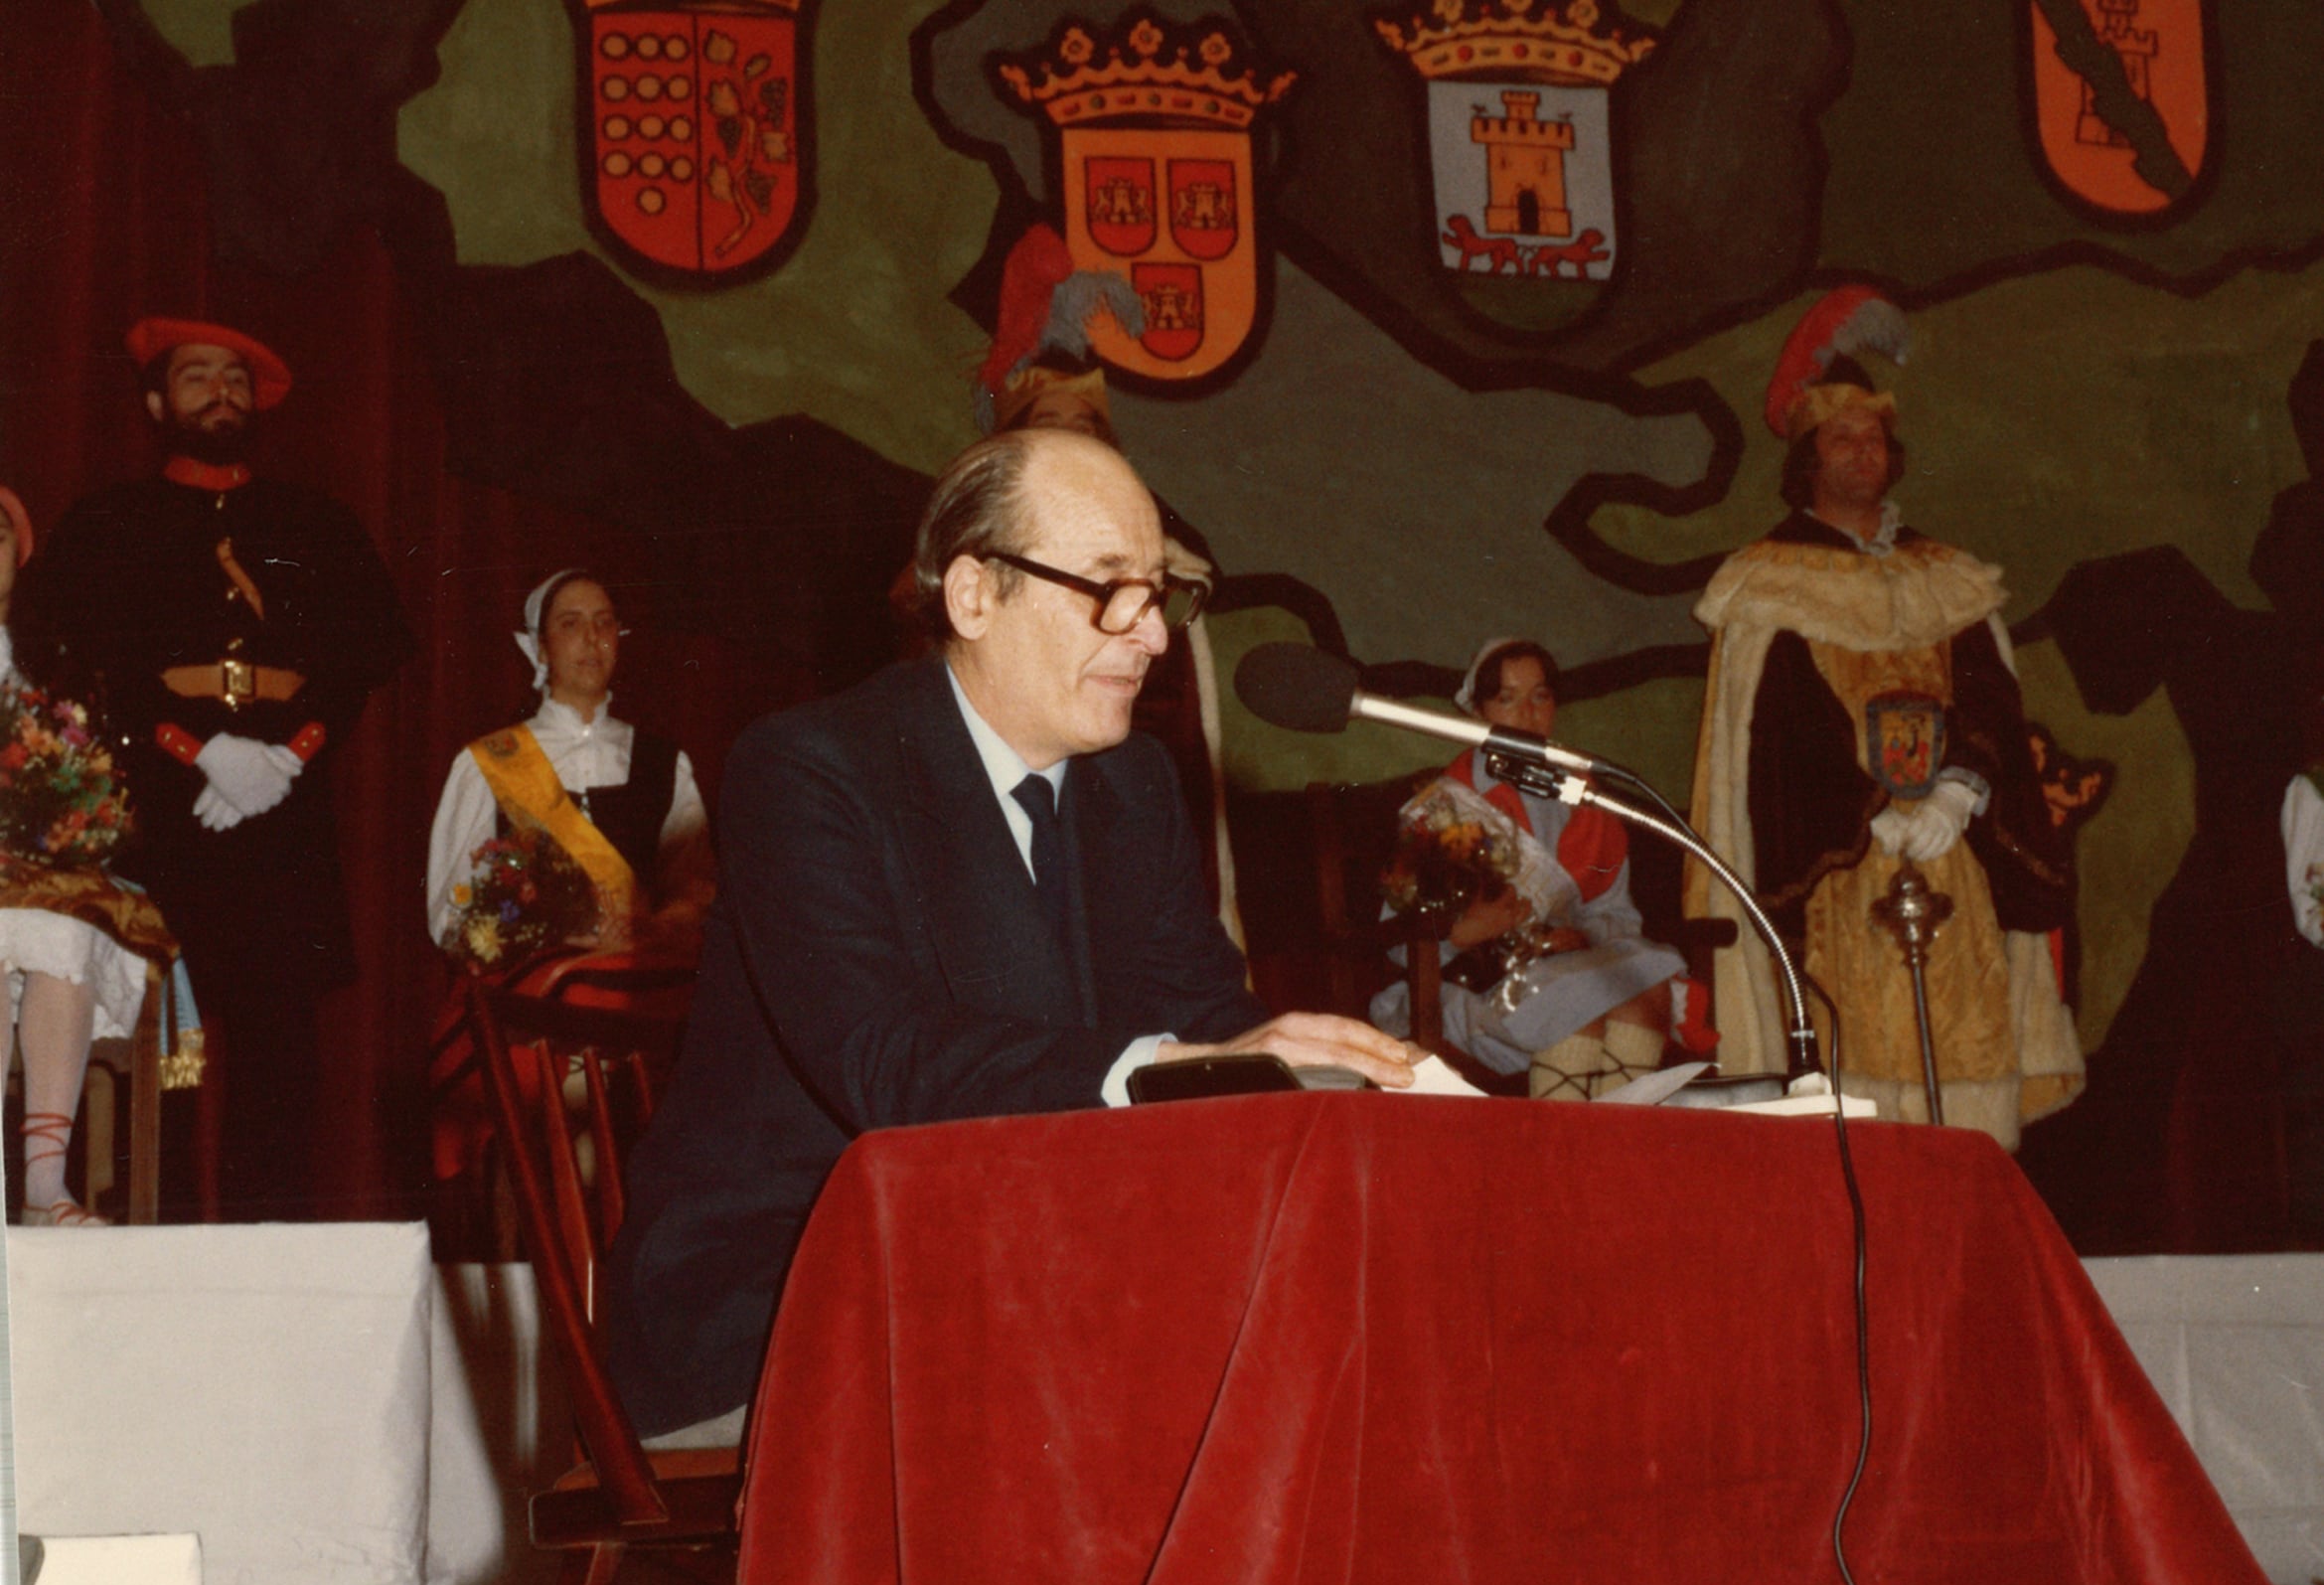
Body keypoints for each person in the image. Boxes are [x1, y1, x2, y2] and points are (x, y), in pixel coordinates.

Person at [600, 427, 1418, 1441]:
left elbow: (1209, 1016)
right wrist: (1174, 1068)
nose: (1151, 635)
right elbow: (886, 1061)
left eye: (1159, 593)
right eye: (1109, 586)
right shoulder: (808, 770)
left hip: (1041, 1271)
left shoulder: (1133, 785)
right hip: (788, 1293)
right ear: (974, 596)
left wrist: (1341, 1075)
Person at [16, 317, 415, 1218]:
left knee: (284, 1038)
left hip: (285, 802)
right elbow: (88, 663)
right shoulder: (110, 520)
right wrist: (202, 751)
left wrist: (286, 755)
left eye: (235, 377)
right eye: (198, 376)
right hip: (166, 809)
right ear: (158, 402)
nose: (221, 392)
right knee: (167, 1031)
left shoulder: (314, 522)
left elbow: (358, 664)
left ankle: (267, 1239)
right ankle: (162, 1231)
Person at [1684, 287, 2082, 1148]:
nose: (1862, 453)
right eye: (1841, 437)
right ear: (1807, 457)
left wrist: (1956, 795)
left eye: (1873, 437)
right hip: (1842, 863)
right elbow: (1780, 725)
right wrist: (1875, 809)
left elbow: (1988, 693)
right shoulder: (1770, 578)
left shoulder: (1942, 570)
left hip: (1950, 848)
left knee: (1965, 1045)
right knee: (1856, 1066)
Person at [1370, 638, 1687, 1099]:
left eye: (1540, 696)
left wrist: (1581, 936)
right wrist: (1463, 932)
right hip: (1468, 985)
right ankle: (1561, 1155)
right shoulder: (1446, 805)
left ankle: (1610, 1153)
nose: (1528, 713)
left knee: (1646, 989)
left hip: (1562, 969)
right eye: (1507, 698)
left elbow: (1618, 916)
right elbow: (1398, 939)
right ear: (1478, 711)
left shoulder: (1585, 797)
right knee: (1582, 1005)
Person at [0, 487, 177, 1225]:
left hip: (33, 871)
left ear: (20, 554)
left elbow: (90, 774)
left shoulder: (55, 662)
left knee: (67, 931)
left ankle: (45, 1186)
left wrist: (71, 814)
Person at [425, 569, 711, 956]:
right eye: (571, 624)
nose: (591, 639)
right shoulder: (485, 763)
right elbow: (452, 917)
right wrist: (549, 938)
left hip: (644, 997)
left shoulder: (665, 763)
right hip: (532, 999)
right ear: (541, 648)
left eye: (604, 623)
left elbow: (695, 893)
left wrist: (653, 929)